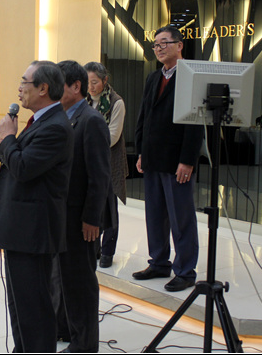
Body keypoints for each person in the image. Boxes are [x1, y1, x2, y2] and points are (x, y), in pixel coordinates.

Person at [0, 60, 74, 352]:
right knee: (20, 306)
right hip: (20, 231)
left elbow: (24, 168)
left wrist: (7, 138)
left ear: (43, 88)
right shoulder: (40, 121)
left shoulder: (55, 127)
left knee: (34, 310)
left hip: (33, 233)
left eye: (24, 82)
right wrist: (9, 141)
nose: (19, 89)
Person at [133, 26, 204, 292]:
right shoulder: (154, 77)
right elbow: (144, 115)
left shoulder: (191, 75)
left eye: (164, 43)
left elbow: (195, 122)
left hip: (177, 160)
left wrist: (188, 160)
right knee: (155, 214)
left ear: (179, 45)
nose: (159, 48)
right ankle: (159, 262)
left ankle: (185, 270)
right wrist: (141, 151)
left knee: (180, 217)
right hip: (153, 156)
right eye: (156, 45)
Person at [54, 60, 113, 353]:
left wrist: (92, 218)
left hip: (82, 220)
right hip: (63, 216)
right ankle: (66, 329)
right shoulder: (63, 117)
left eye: (58, 85)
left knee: (80, 283)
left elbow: (99, 176)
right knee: (64, 278)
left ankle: (85, 344)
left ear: (76, 87)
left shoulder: (91, 121)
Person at [84, 61, 128, 268]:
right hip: (88, 161)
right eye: (87, 82)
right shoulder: (84, 101)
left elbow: (112, 136)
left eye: (94, 82)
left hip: (109, 161)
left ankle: (108, 251)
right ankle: (94, 248)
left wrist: (87, 142)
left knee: (109, 208)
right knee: (92, 204)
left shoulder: (116, 102)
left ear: (105, 80)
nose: (91, 87)